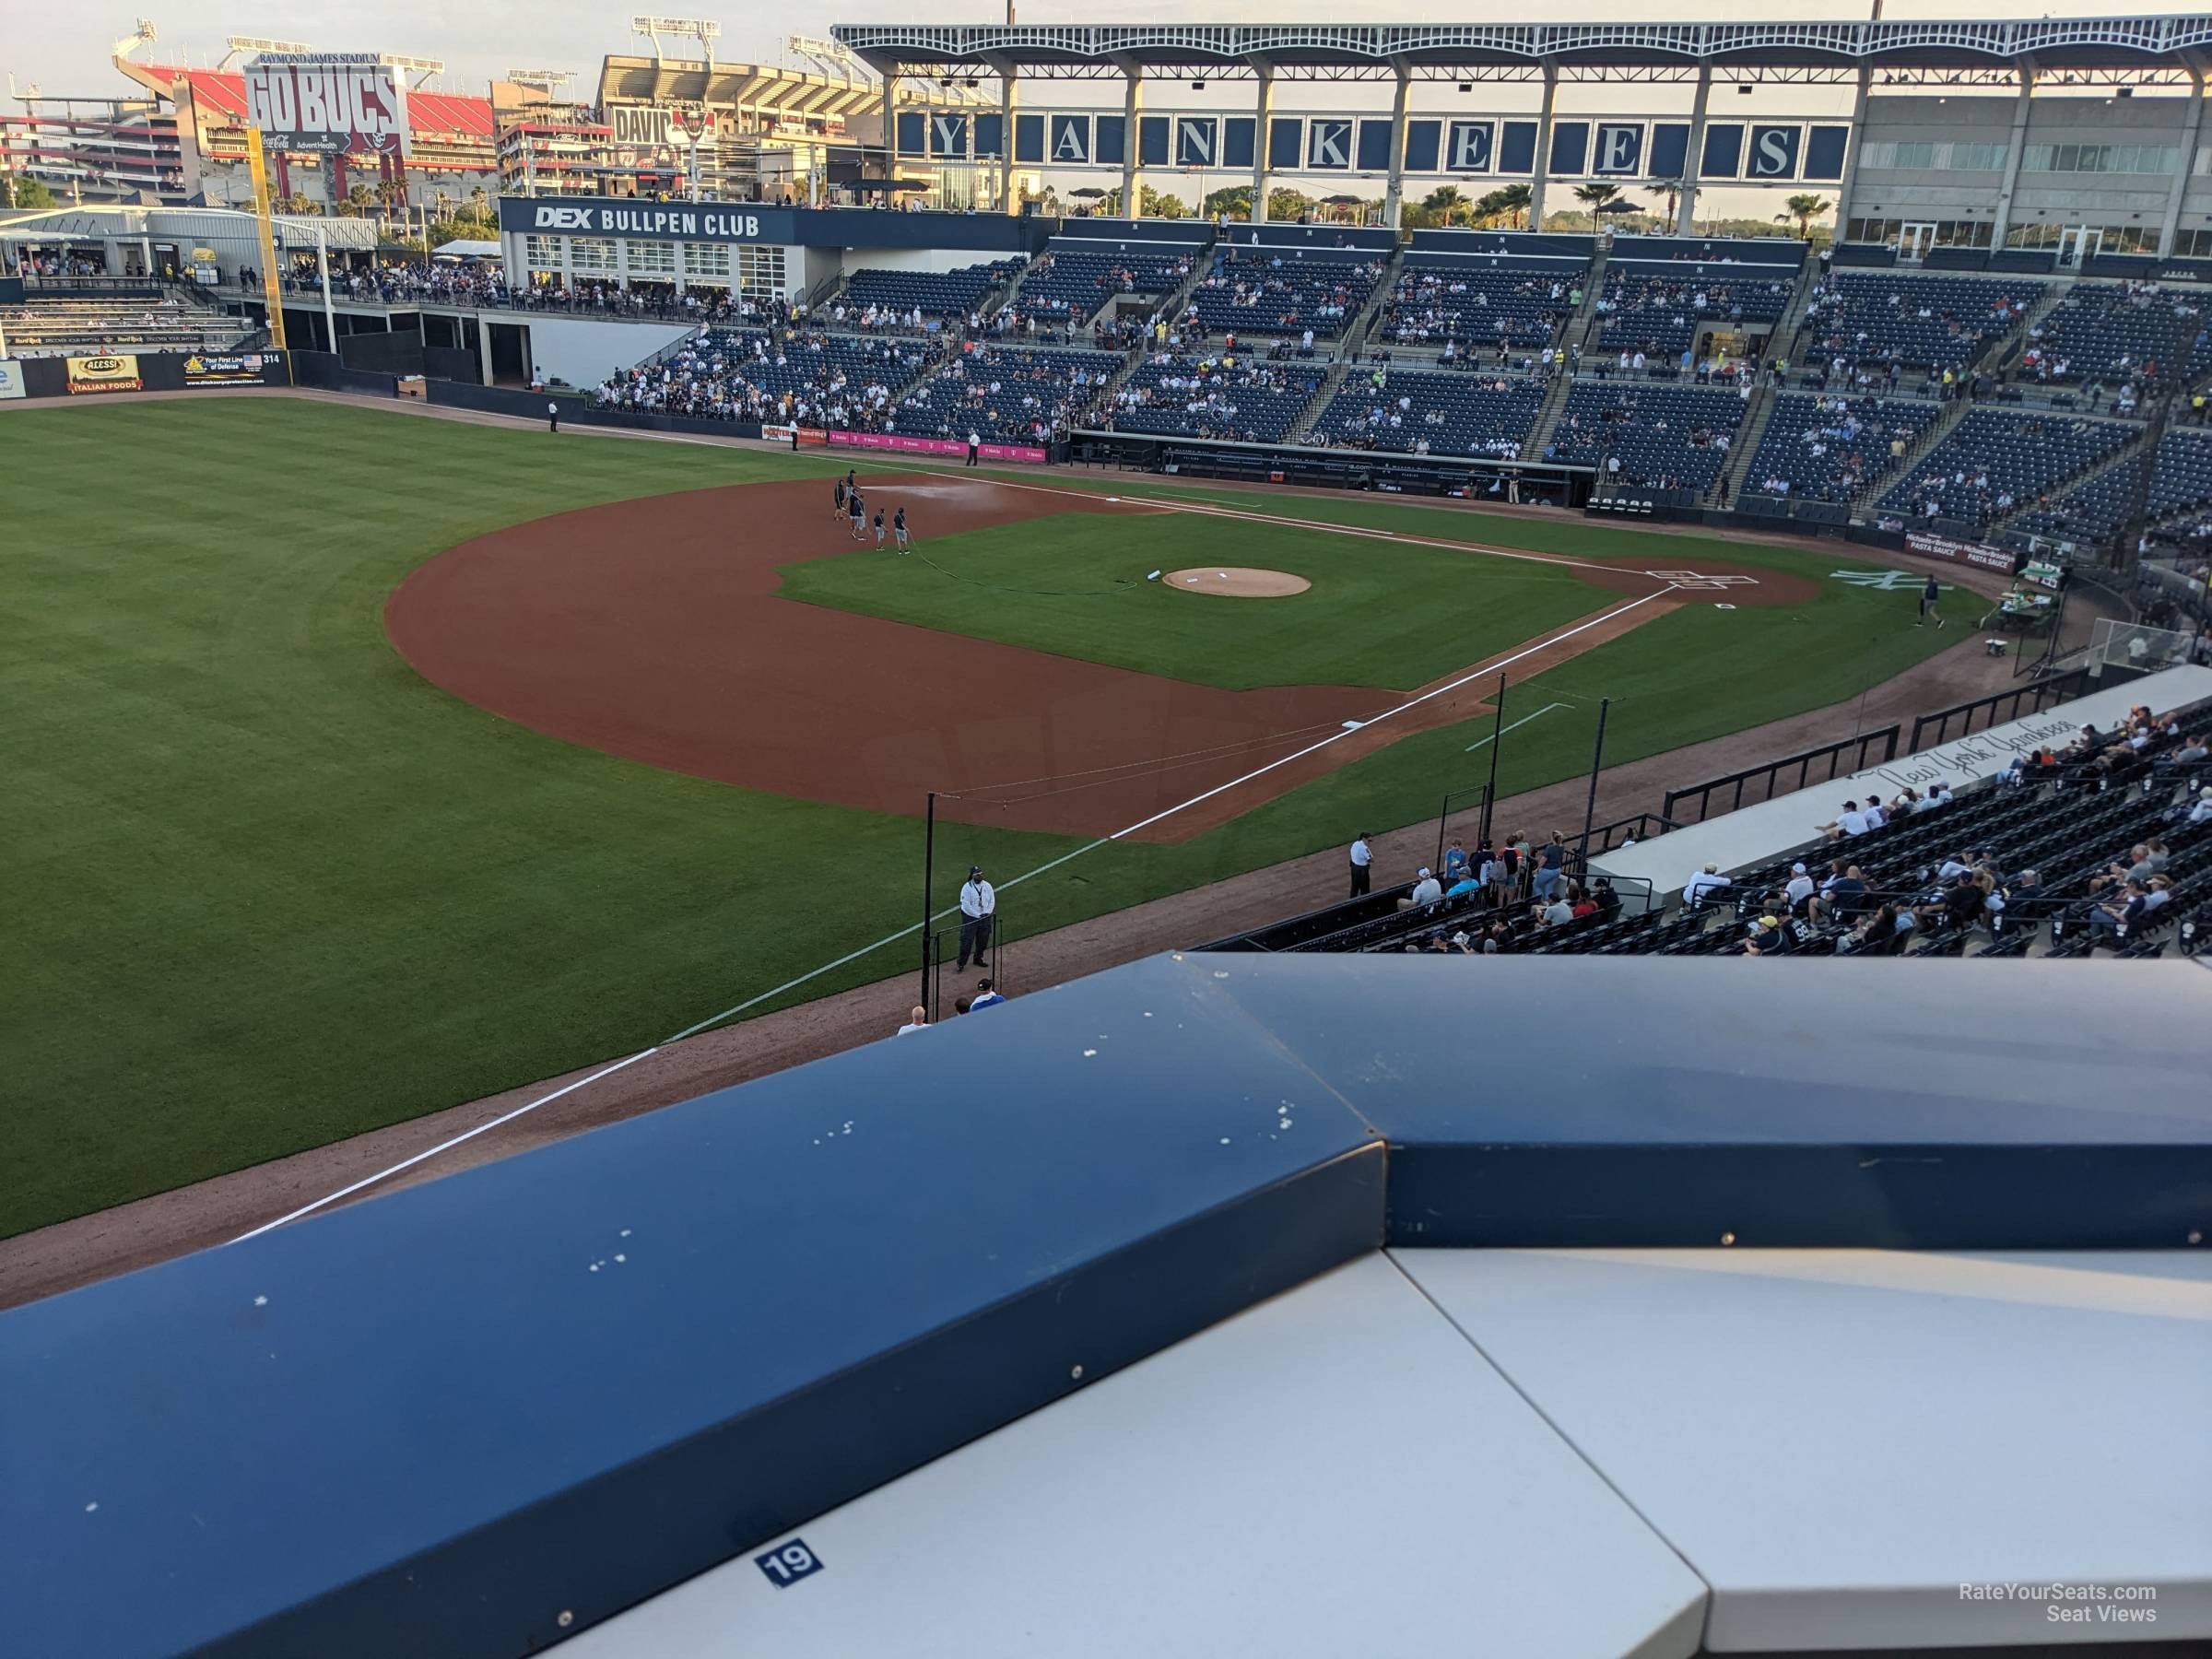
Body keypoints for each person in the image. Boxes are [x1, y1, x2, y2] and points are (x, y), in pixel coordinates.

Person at [958, 865, 995, 971]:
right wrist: (977, 915)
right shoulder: (967, 887)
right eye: (977, 874)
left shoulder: (987, 886)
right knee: (967, 941)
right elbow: (966, 905)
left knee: (983, 940)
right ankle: (961, 963)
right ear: (972, 876)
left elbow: (992, 900)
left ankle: (978, 958)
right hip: (970, 918)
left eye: (981, 874)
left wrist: (987, 913)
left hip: (985, 917)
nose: (980, 876)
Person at [1348, 831, 1374, 897]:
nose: (1370, 843)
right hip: (1361, 871)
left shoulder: (1355, 843)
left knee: (1354, 887)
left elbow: (1352, 852)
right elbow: (1371, 860)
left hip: (1353, 868)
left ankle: (1351, 902)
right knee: (1365, 890)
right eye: (1369, 840)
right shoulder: (1365, 848)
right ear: (1364, 839)